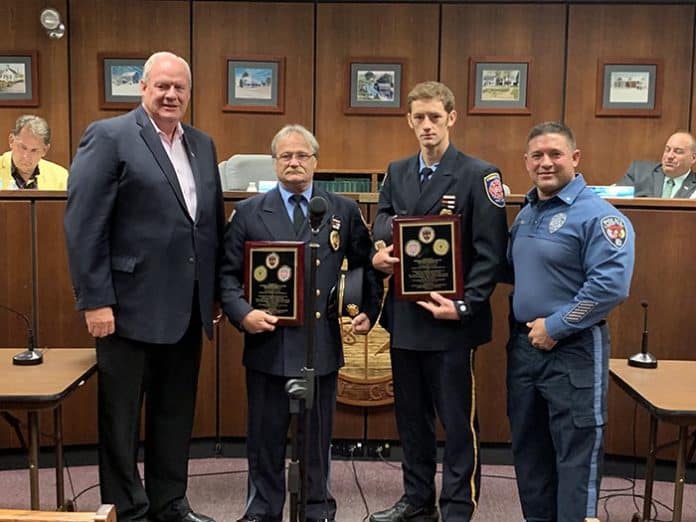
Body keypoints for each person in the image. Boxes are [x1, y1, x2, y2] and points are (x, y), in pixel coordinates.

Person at [64, 51, 224, 522]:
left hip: (186, 308)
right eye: (162, 86)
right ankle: (126, 509)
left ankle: (169, 502)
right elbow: (83, 223)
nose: (171, 94)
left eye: (180, 88)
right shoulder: (110, 136)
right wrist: (95, 299)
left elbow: (209, 223)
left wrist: (211, 291)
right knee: (120, 418)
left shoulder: (202, 143)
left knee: (174, 414)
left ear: (190, 94)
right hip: (126, 308)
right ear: (143, 87)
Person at [220, 124, 383, 522]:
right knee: (265, 437)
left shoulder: (341, 209)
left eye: (302, 156)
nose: (294, 163)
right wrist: (243, 313)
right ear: (274, 162)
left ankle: (316, 508)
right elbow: (226, 276)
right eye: (286, 156)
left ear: (316, 162)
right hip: (267, 343)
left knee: (316, 437)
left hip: (320, 344)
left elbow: (366, 264)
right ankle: (262, 509)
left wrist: (367, 307)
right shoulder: (248, 212)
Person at [369, 81, 508, 522]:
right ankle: (416, 500)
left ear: (451, 117)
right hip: (407, 318)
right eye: (419, 118)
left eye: (435, 117)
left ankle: (456, 507)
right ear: (408, 120)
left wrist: (464, 305)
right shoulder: (397, 169)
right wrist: (379, 248)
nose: (427, 125)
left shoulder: (480, 175)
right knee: (412, 420)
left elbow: (490, 254)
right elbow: (383, 217)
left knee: (457, 423)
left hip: (452, 322)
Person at [508, 121, 635, 522]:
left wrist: (557, 326)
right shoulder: (527, 212)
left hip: (574, 351)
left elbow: (609, 288)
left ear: (575, 159)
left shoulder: (600, 217)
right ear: (526, 162)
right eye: (537, 156)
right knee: (529, 455)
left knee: (576, 457)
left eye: (555, 154)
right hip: (526, 350)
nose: (546, 163)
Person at [616, 131, 696, 197]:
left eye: (678, 151)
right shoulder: (638, 173)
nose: (670, 156)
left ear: (693, 158)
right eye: (667, 150)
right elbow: (617, 200)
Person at [0, 114, 67, 190]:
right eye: (23, 147)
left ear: (45, 150)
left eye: (34, 150)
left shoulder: (60, 177)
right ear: (11, 141)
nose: (26, 156)